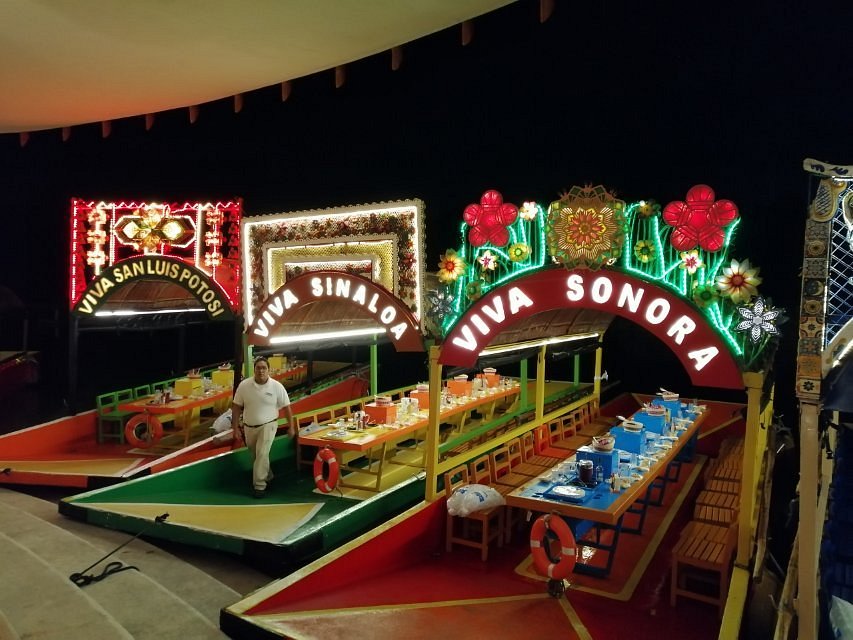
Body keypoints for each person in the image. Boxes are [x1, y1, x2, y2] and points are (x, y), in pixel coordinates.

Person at [231, 356, 295, 498]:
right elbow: (236, 407)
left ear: (268, 370)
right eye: (258, 368)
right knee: (256, 456)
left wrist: (291, 426)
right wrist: (235, 428)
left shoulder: (277, 386)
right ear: (254, 370)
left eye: (264, 368)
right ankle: (269, 476)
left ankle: (259, 486)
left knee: (262, 454)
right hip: (249, 427)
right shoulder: (244, 386)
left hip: (269, 424)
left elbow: (287, 408)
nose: (261, 371)